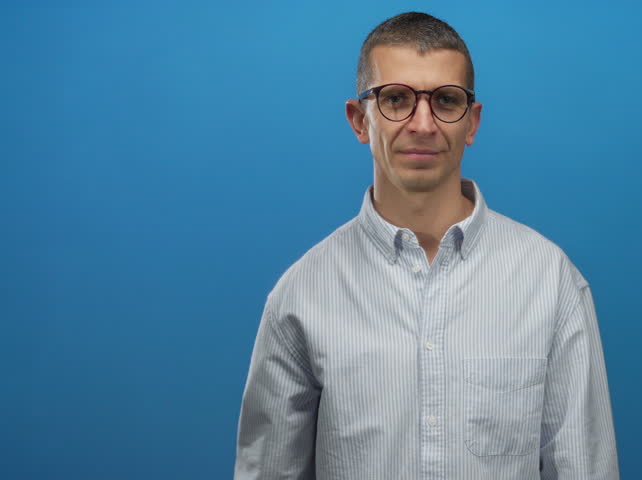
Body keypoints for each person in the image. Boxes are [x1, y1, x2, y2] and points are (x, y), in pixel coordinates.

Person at [234, 11, 619, 480]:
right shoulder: (301, 294)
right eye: (395, 98)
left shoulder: (550, 280)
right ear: (360, 120)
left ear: (472, 123)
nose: (423, 123)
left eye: (446, 100)